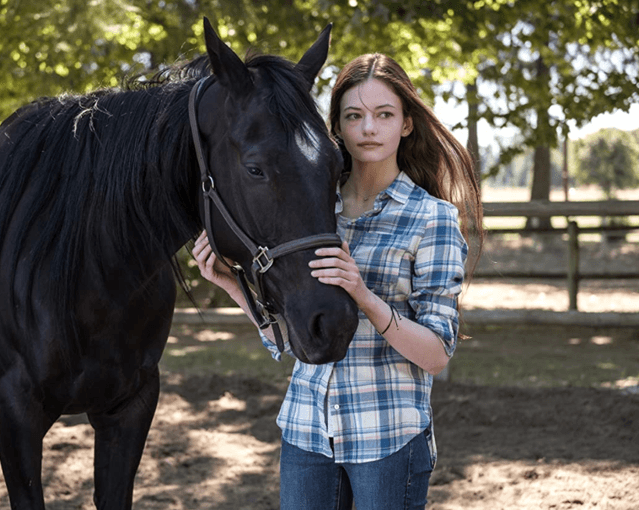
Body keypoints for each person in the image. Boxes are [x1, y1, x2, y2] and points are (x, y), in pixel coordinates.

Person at [192, 53, 483, 510]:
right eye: (353, 116)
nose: (368, 128)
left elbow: (436, 355)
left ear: (406, 124)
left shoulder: (433, 219)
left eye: (384, 115)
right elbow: (293, 340)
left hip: (387, 439)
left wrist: (363, 295)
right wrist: (231, 285)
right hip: (307, 433)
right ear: (337, 127)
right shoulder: (312, 208)